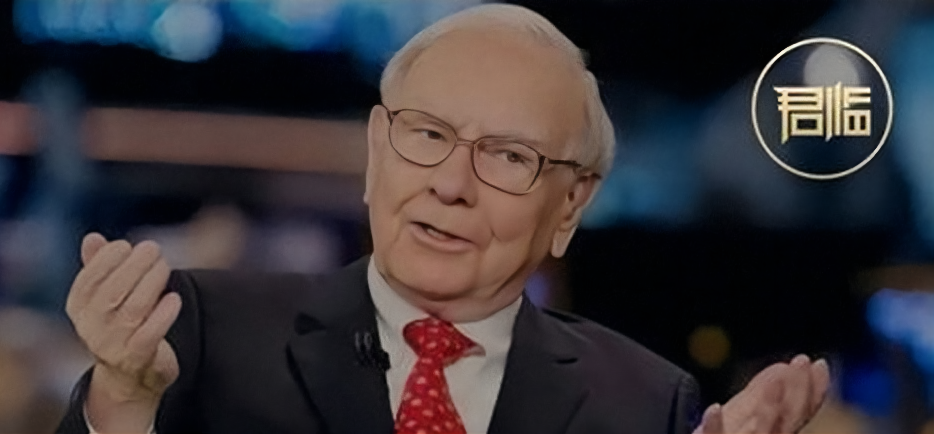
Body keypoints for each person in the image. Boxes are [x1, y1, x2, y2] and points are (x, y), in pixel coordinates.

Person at [57, 5, 829, 434]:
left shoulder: (644, 404)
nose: (452, 185)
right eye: (427, 136)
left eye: (509, 156)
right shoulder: (204, 334)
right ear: (375, 151)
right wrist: (122, 402)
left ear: (570, 205)